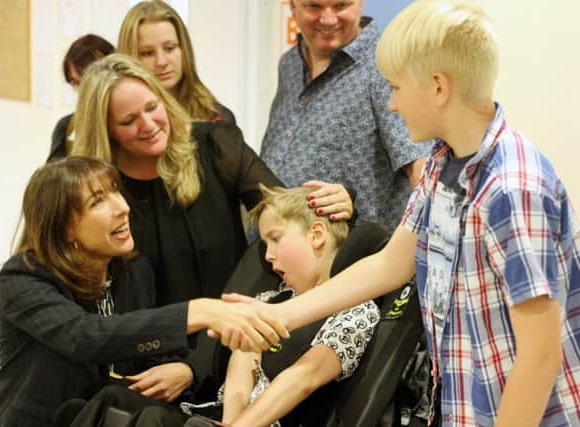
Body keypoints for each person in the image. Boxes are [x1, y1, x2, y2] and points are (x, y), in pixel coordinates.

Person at [225, 1, 580, 426]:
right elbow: (389, 265)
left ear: (437, 87)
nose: (391, 105)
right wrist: (277, 315)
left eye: (394, 88)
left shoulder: (513, 188)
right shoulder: (440, 168)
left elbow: (540, 356)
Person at [69, 53, 353, 401]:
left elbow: (284, 212)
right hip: (140, 363)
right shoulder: (97, 193)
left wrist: (337, 200)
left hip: (225, 349)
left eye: (152, 106)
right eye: (129, 120)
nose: (149, 124)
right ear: (106, 131)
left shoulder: (216, 145)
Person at [0, 156, 287, 427]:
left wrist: (184, 370)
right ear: (65, 228)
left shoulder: (134, 271)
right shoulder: (25, 275)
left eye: (116, 191)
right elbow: (83, 337)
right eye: (97, 202)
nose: (122, 207)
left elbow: (147, 350)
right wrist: (200, 311)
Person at [69, 184, 382, 427]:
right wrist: (231, 420)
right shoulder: (270, 301)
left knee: (154, 421)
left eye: (275, 239)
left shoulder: (355, 309)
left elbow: (302, 379)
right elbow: (241, 368)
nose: (268, 256)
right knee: (113, 399)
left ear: (316, 235)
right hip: (223, 416)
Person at [261, 0, 430, 231]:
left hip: (356, 256)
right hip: (279, 251)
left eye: (340, 6)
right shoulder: (289, 64)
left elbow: (422, 170)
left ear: (360, 3)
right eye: (314, 6)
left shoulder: (385, 64)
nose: (328, 19)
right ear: (292, 6)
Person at [117, 0, 235, 124]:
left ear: (184, 49)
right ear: (130, 57)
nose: (161, 62)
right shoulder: (117, 121)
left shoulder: (216, 117)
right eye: (147, 53)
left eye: (169, 48)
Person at [49, 34, 115, 160]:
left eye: (90, 79)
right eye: (76, 82)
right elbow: (53, 178)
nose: (84, 90)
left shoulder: (137, 121)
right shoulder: (67, 127)